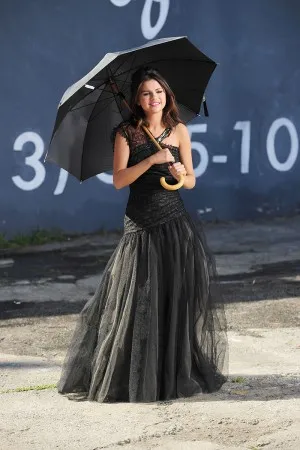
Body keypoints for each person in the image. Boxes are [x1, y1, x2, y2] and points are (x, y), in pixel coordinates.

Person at [57, 67, 228, 403]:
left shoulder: (179, 130)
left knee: (175, 298)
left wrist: (180, 171)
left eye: (159, 92)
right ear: (137, 99)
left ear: (167, 96)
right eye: (147, 93)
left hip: (175, 224)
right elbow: (120, 180)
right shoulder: (125, 134)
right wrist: (152, 159)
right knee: (141, 301)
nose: (154, 99)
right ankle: (137, 376)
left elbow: (191, 181)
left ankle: (172, 372)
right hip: (141, 224)